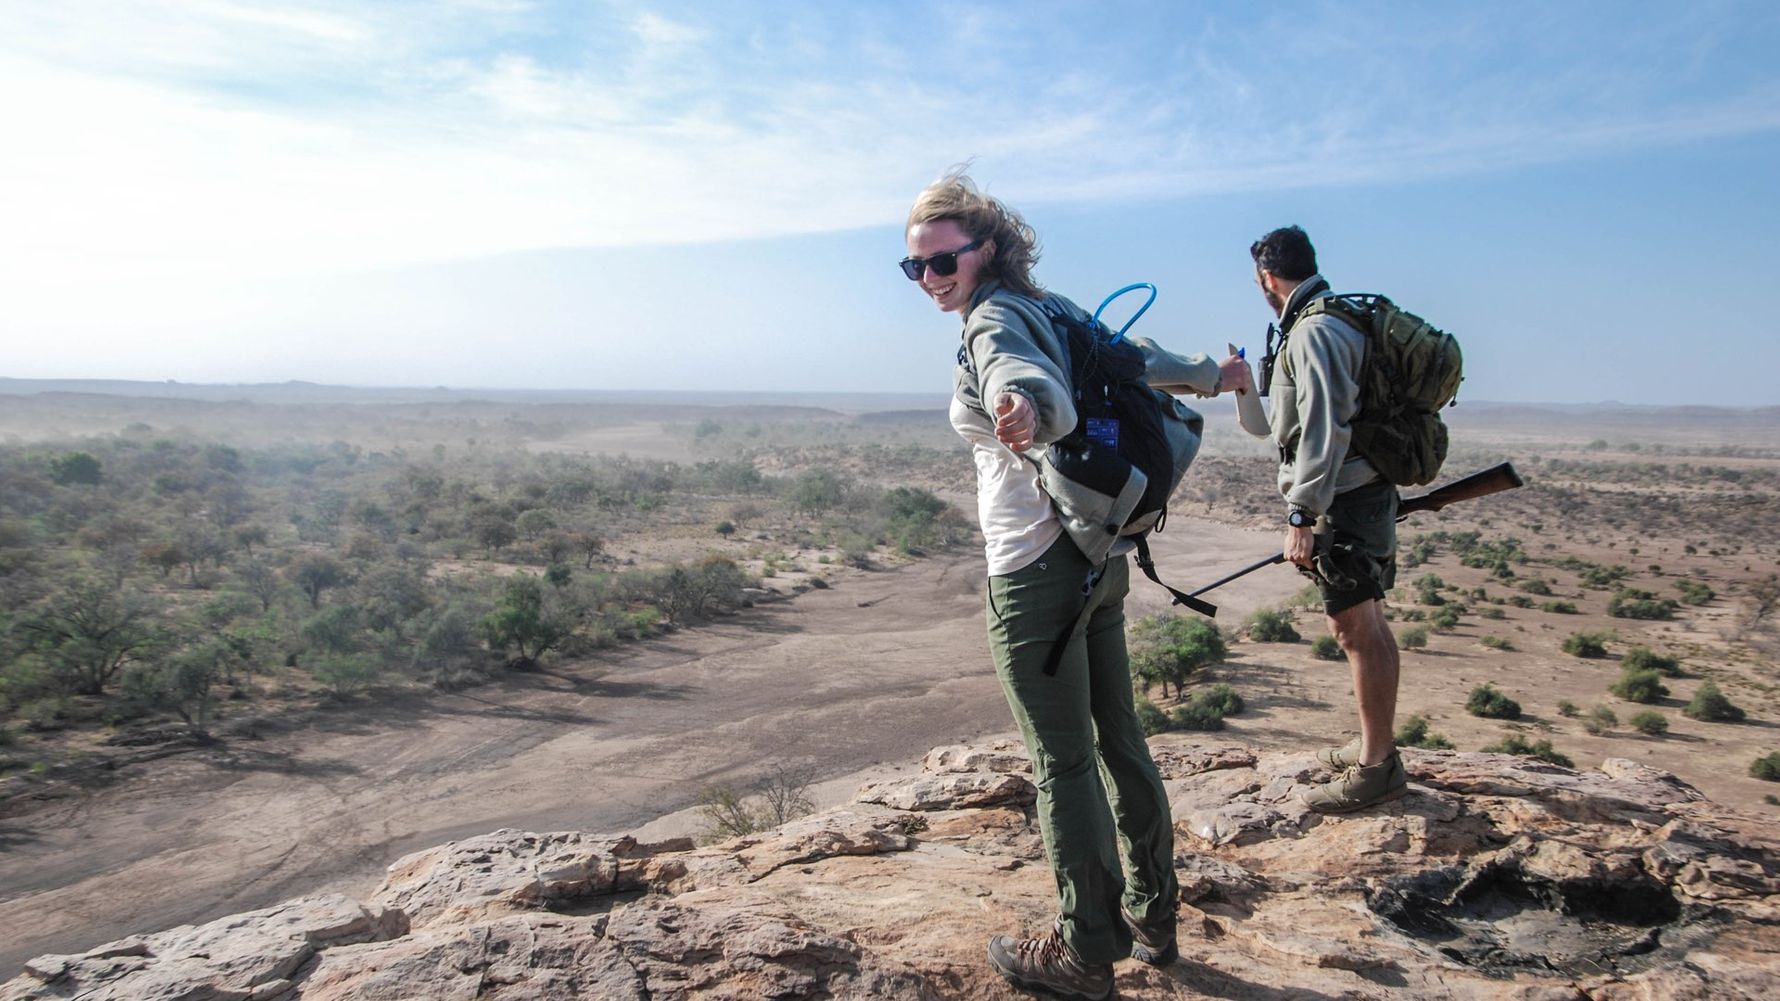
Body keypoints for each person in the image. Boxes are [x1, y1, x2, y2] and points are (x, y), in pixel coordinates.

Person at [903, 170, 1248, 1001]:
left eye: (943, 261)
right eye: (914, 267)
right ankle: (1154, 915)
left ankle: (1087, 949)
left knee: (1062, 761)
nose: (930, 280)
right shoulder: (1053, 306)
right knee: (1120, 737)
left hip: (1033, 570)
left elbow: (1016, 377)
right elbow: (1139, 359)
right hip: (1099, 555)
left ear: (987, 249)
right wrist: (1216, 374)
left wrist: (1022, 406)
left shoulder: (993, 318)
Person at [1249, 225, 1408, 813]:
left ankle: (1377, 767)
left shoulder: (1314, 330)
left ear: (1267, 277)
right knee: (1368, 623)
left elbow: (1323, 426)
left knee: (1354, 630)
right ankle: (1373, 746)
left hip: (1345, 498)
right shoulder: (1333, 318)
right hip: (1359, 492)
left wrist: (1302, 512)